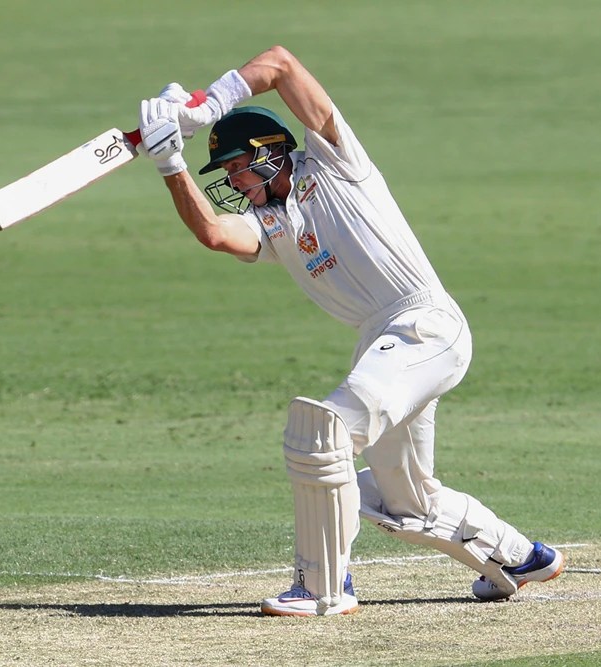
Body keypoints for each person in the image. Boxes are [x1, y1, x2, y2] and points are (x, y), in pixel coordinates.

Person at [135, 45, 564, 616]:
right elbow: (214, 233)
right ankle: (520, 556)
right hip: (383, 340)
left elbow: (282, 65)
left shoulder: (336, 163)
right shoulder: (269, 223)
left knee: (325, 431)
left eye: (238, 166)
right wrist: (171, 165)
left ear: (271, 153)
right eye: (227, 173)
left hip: (423, 324)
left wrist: (209, 106)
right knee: (400, 498)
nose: (234, 181)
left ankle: (321, 589)